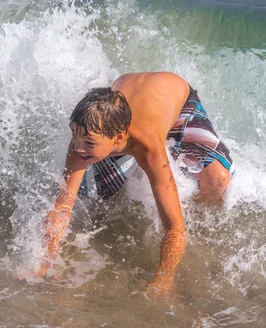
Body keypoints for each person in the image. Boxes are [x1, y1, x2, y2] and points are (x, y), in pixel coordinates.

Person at [39, 72, 234, 294]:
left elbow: (175, 228)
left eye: (88, 143)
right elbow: (63, 205)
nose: (78, 147)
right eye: (74, 136)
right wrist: (46, 260)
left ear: (119, 138)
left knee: (217, 179)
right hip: (126, 91)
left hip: (177, 101)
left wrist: (164, 278)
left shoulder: (148, 148)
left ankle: (202, 213)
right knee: (100, 194)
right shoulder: (84, 136)